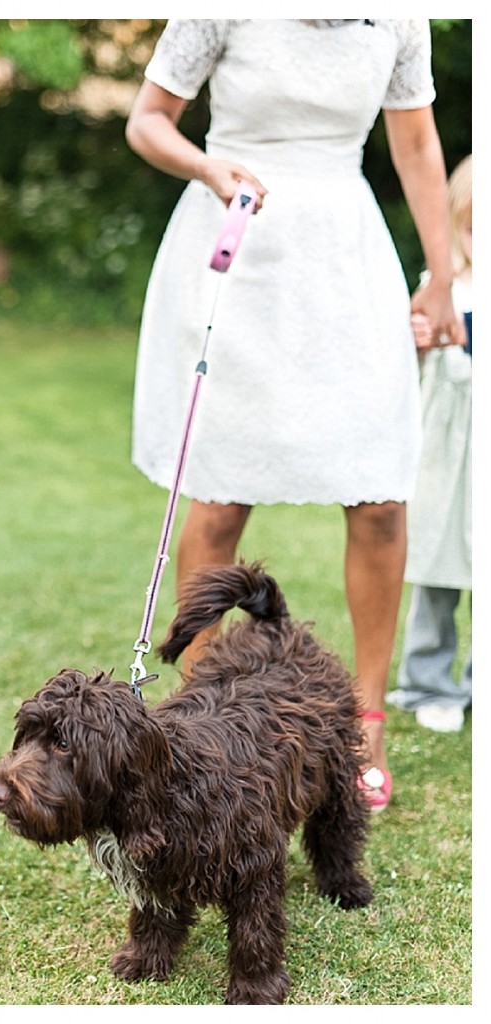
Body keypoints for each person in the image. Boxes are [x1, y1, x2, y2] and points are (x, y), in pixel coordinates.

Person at [125, 19, 464, 813]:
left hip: (345, 262)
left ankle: (365, 722)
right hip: (236, 251)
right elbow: (146, 121)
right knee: (220, 499)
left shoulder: (400, 16)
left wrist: (441, 277)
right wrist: (208, 167)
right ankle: (199, 722)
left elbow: (416, 147)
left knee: (380, 494)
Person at [388, 155, 472, 733]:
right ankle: (428, 684)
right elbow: (409, 364)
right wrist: (418, 341)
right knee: (437, 575)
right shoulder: (442, 288)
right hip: (447, 458)